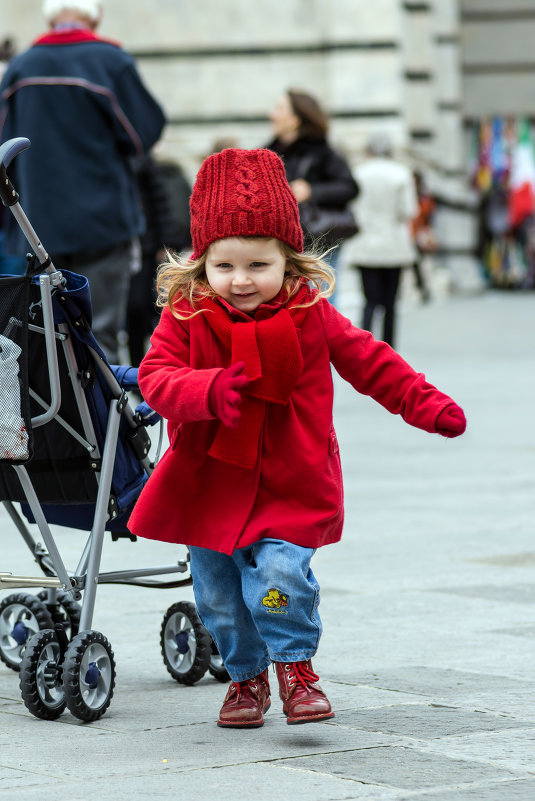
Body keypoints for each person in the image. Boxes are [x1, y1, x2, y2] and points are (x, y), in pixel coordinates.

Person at [127, 147, 467, 729]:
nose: (240, 281)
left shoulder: (312, 312)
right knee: (220, 601)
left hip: (290, 477)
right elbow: (156, 378)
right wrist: (206, 390)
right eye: (223, 266)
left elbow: (371, 361)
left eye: (258, 266)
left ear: (289, 261)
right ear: (200, 263)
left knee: (280, 579)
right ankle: (245, 678)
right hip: (209, 483)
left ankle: (294, 667)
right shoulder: (185, 316)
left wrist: (425, 404)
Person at [0, 0, 166, 363]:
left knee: (46, 337)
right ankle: (105, 419)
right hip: (104, 224)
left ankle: (57, 420)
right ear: (96, 16)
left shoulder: (20, 68)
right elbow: (144, 133)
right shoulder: (110, 62)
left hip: (36, 225)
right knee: (100, 333)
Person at [266, 89, 359, 307]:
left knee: (320, 300)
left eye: (279, 109)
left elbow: (350, 187)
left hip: (319, 238)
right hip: (280, 239)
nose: (272, 114)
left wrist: (311, 191)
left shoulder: (324, 152)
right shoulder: (267, 152)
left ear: (296, 119)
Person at [345, 134, 418, 347]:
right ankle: (389, 349)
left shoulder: (358, 172)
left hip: (365, 243)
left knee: (369, 301)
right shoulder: (401, 173)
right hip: (393, 244)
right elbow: (408, 210)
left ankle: (365, 347)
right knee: (390, 303)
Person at [126, 153, 191, 367]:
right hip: (130, 246)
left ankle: (155, 363)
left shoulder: (144, 164)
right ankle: (139, 366)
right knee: (136, 312)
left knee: (146, 307)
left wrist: (165, 243)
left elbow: (160, 206)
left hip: (147, 248)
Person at [410, 170, 436, 303]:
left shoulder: (423, 198)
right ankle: (421, 288)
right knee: (414, 264)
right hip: (408, 234)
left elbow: (428, 217)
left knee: (418, 264)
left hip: (417, 234)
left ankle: (423, 288)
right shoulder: (408, 195)